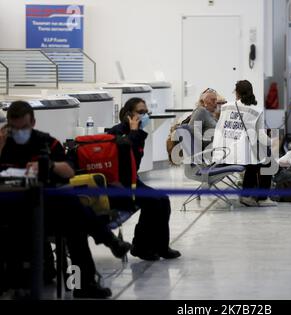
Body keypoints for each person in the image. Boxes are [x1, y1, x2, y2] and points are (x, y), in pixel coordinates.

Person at [0, 101, 128, 298]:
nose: (19, 132)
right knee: (72, 207)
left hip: (47, 210)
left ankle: (82, 284)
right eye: (14, 128)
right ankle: (107, 241)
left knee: (73, 221)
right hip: (12, 211)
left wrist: (48, 165)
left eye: (24, 128)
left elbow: (69, 171)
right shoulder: (3, 143)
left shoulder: (45, 142)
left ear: (33, 122)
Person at [107, 98, 181, 261]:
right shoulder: (116, 133)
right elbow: (127, 159)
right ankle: (140, 247)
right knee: (153, 201)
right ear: (128, 115)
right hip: (119, 185)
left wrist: (136, 132)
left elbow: (136, 164)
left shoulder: (138, 133)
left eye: (146, 112)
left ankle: (161, 247)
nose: (145, 115)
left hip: (132, 180)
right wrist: (134, 132)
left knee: (163, 200)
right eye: (141, 112)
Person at [213, 80, 275, 207]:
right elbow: (261, 137)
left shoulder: (226, 107)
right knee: (266, 159)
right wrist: (272, 142)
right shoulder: (256, 111)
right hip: (241, 157)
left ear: (237, 93)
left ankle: (247, 195)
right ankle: (262, 198)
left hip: (224, 154)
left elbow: (219, 130)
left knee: (254, 159)